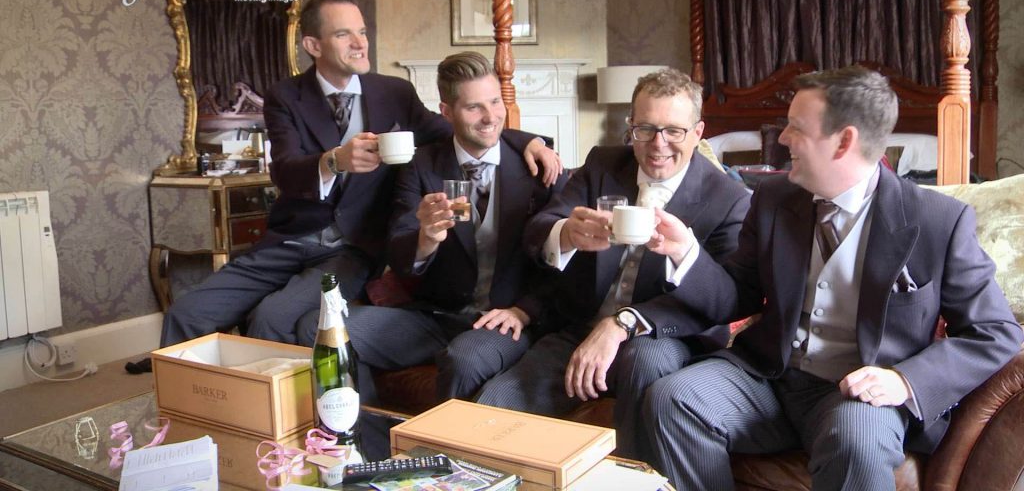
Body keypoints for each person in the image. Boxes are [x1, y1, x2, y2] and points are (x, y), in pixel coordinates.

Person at [644, 66, 1024, 490]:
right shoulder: (772, 200)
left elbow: (994, 331)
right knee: (672, 400)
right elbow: (738, 294)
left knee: (856, 440)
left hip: (861, 393)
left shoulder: (938, 221)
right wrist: (687, 254)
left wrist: (905, 380)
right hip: (770, 376)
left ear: (845, 141)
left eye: (795, 128)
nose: (782, 138)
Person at [158, 0, 560, 351]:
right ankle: (179, 421)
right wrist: (334, 160)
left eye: (363, 32)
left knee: (272, 318)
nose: (360, 42)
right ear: (313, 45)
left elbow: (461, 127)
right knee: (186, 313)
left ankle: (277, 420)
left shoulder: (393, 93)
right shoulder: (286, 96)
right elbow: (284, 171)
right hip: (291, 239)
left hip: (354, 248)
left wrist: (528, 141)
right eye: (344, 34)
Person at [475, 68, 751, 461]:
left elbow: (727, 300)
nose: (658, 145)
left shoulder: (728, 198)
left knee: (647, 358)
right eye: (645, 129)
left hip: (664, 338)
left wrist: (632, 312)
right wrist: (567, 233)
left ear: (698, 132)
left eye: (674, 131)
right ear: (630, 127)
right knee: (491, 410)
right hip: (579, 327)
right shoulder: (604, 164)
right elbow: (540, 228)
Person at [297, 51, 567, 402]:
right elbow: (400, 249)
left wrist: (525, 310)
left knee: (465, 359)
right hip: (434, 317)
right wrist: (425, 238)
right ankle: (369, 443)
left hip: (502, 320)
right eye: (474, 108)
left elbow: (563, 261)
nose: (490, 117)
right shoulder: (422, 164)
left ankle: (441, 453)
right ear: (446, 112)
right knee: (320, 330)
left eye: (495, 102)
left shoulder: (537, 166)